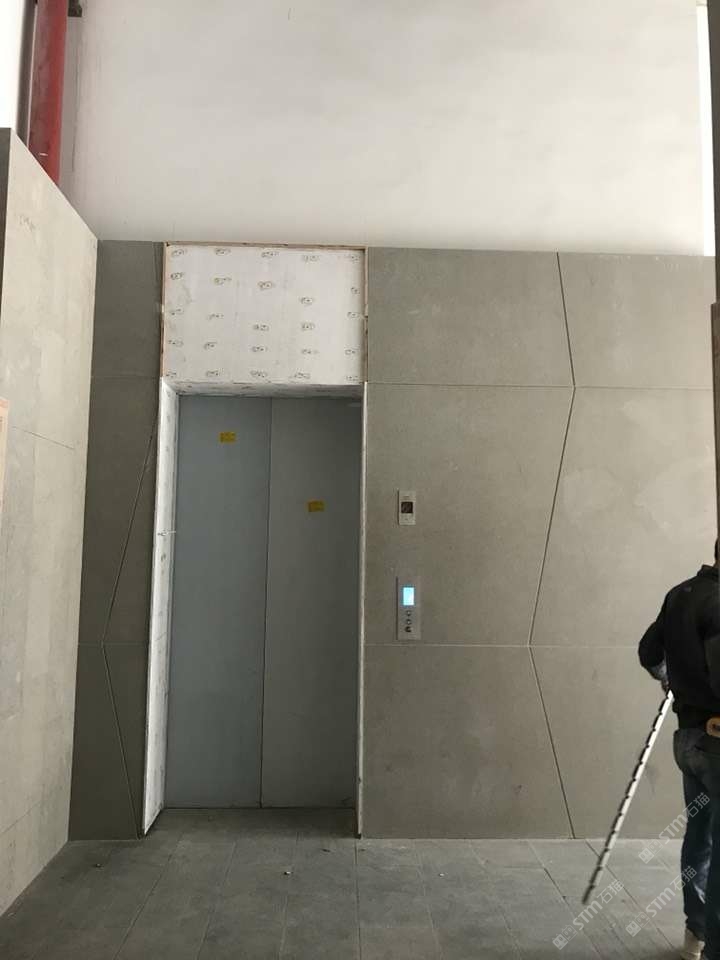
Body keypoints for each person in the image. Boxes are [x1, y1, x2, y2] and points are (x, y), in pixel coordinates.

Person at [639, 542, 720, 960]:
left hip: (688, 739)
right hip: (716, 741)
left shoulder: (680, 594)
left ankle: (696, 933)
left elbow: (649, 653)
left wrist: (670, 679)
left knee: (699, 838)